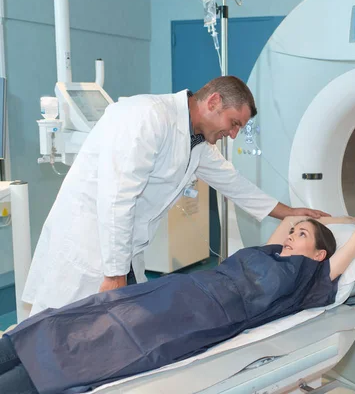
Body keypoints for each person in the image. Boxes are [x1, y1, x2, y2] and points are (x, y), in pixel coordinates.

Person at [23, 76, 329, 316]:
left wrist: (288, 212)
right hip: (88, 245)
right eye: (234, 123)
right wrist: (115, 274)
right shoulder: (148, 117)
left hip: (124, 249)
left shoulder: (197, 142)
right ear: (213, 101)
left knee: (101, 333)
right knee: (52, 331)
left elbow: (234, 183)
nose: (234, 134)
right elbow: (117, 199)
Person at [0, 214, 355, 394]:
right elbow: (294, 215)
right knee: (90, 315)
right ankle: (12, 348)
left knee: (104, 345)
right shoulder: (272, 251)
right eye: (293, 233)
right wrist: (316, 219)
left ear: (321, 252)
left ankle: (23, 382)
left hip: (198, 318)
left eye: (302, 236)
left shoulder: (311, 277)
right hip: (182, 288)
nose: (292, 236)